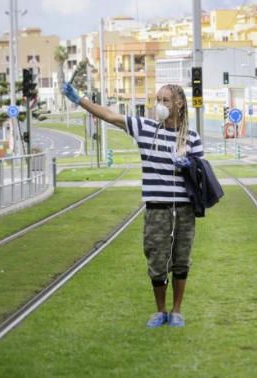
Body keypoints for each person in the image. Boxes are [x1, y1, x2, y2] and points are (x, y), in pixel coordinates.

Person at [62, 82, 204, 328]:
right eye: (158, 99)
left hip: (183, 208)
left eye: (166, 100)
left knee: (181, 259)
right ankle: (160, 312)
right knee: (157, 261)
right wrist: (80, 100)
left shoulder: (192, 137)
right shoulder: (145, 128)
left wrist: (190, 166)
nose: (160, 105)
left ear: (179, 104)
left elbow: (202, 173)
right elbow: (109, 115)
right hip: (156, 208)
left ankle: (177, 310)